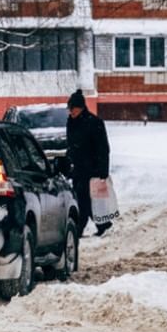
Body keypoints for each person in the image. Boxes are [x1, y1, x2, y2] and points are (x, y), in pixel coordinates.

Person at [65, 89, 112, 237]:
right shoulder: (71, 123)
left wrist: (103, 170)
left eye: (73, 108)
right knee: (83, 198)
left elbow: (103, 148)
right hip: (78, 168)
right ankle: (102, 224)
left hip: (92, 169)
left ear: (80, 108)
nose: (70, 112)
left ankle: (82, 228)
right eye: (69, 109)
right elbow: (71, 145)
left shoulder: (95, 123)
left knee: (87, 199)